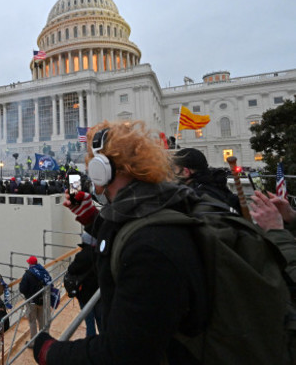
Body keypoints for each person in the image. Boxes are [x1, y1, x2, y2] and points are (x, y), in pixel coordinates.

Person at [33, 120, 210, 365]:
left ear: (101, 168)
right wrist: (91, 218)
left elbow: (122, 354)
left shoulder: (149, 247)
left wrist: (50, 352)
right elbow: (128, 231)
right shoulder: (155, 203)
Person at [173, 147, 241, 213]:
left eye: (175, 170)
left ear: (186, 172)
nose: (173, 174)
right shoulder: (217, 185)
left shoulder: (194, 197)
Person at [19, 256, 51, 344]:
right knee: (41, 320)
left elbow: (22, 289)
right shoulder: (43, 271)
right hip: (42, 300)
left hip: (32, 302)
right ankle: (43, 340)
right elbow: (49, 282)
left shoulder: (27, 274)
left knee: (32, 322)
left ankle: (34, 342)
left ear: (30, 264)